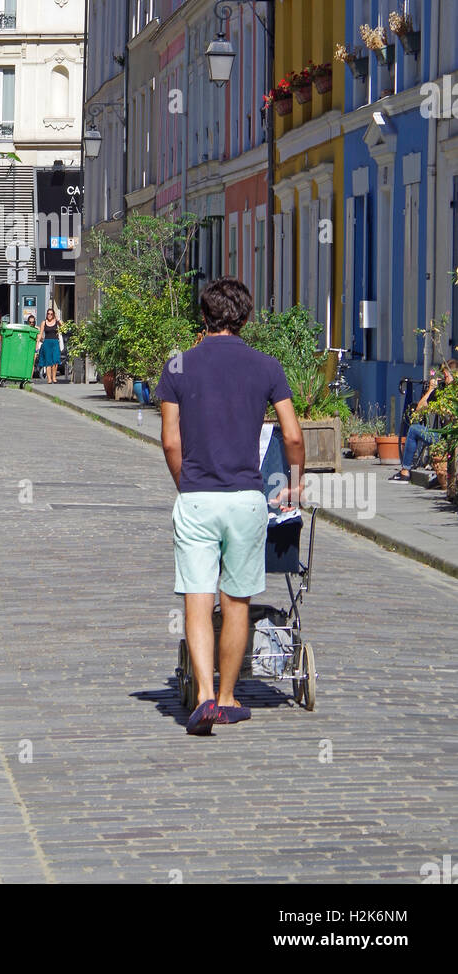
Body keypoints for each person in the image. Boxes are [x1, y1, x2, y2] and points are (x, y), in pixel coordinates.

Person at [157, 276, 304, 736]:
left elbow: (170, 439)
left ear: (204, 316)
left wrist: (187, 484)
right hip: (245, 499)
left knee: (197, 598)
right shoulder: (265, 366)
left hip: (198, 497)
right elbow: (294, 435)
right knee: (236, 599)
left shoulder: (177, 366)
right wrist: (295, 483)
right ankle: (227, 697)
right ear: (245, 317)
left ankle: (202, 696)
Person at [388, 360, 458, 482]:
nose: (443, 378)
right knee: (417, 429)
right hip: (446, 437)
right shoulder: (444, 391)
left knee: (414, 430)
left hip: (446, 439)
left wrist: (431, 390)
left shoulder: (450, 392)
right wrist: (432, 390)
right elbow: (420, 408)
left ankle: (405, 472)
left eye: (445, 375)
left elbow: (419, 408)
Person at [37, 307, 62, 384]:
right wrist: (37, 343)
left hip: (55, 342)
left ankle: (54, 378)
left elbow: (64, 327)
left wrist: (58, 320)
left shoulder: (56, 322)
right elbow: (40, 334)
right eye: (48, 314)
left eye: (51, 314)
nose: (50, 315)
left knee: (55, 361)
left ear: (53, 315)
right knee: (48, 362)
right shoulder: (43, 322)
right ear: (46, 314)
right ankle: (49, 379)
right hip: (47, 343)